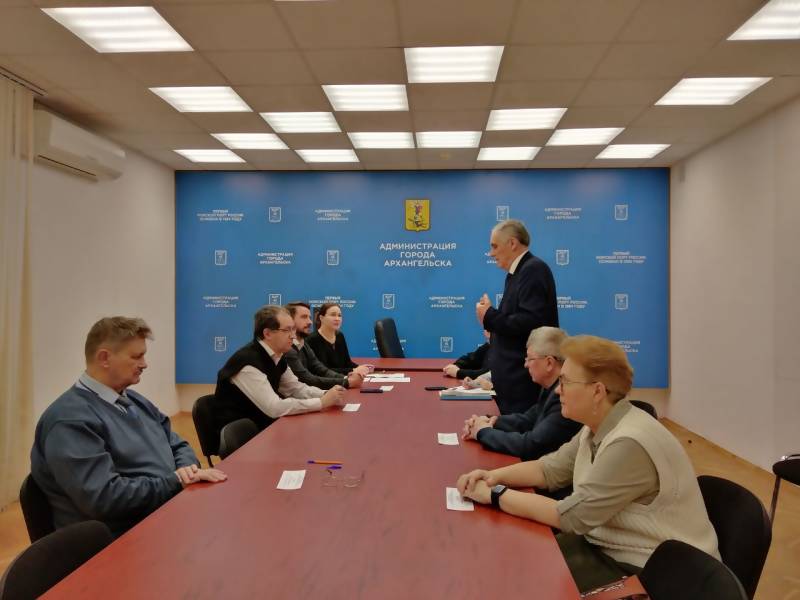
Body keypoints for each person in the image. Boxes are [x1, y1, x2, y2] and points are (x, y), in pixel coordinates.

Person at [456, 335, 719, 592]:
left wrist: (495, 495)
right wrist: (492, 476)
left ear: (597, 391)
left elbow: (572, 517)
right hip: (608, 549)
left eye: (565, 381)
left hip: (656, 572)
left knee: (523, 579)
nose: (557, 389)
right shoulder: (596, 426)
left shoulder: (629, 443)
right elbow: (549, 469)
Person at [30, 317, 227, 538]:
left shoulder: (132, 399)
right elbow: (104, 498)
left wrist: (186, 472)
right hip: (121, 540)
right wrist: (176, 481)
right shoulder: (69, 421)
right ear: (104, 358)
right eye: (136, 356)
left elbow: (177, 444)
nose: (144, 364)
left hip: (166, 515)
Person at [211, 305, 346, 439]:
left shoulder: (277, 356)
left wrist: (326, 394)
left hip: (264, 427)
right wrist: (321, 402)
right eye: (287, 330)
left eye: (293, 329)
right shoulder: (247, 363)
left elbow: (295, 389)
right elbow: (274, 408)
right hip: (242, 438)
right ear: (267, 334)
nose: (293, 336)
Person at [476, 219, 558, 415]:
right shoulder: (519, 272)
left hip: (523, 384)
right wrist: (491, 321)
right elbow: (516, 321)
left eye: (494, 246)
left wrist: (489, 316)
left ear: (512, 243)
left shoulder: (532, 270)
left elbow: (531, 323)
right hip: (512, 383)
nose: (491, 253)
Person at [461, 327, 580, 461]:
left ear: (549, 363)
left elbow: (531, 445)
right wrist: (490, 421)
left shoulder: (564, 396)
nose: (525, 365)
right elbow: (527, 420)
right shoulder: (550, 388)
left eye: (530, 359)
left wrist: (482, 432)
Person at [284, 301, 363, 390]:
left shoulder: (303, 344)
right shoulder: (288, 349)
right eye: (304, 317)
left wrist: (345, 378)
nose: (310, 322)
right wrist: (346, 382)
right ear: (289, 321)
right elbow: (307, 379)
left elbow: (320, 368)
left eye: (309, 317)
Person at [306, 302, 370, 376]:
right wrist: (353, 370)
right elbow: (323, 370)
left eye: (339, 315)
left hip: (342, 379)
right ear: (321, 318)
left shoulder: (340, 336)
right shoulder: (312, 339)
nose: (337, 319)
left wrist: (360, 367)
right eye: (333, 315)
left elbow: (347, 363)